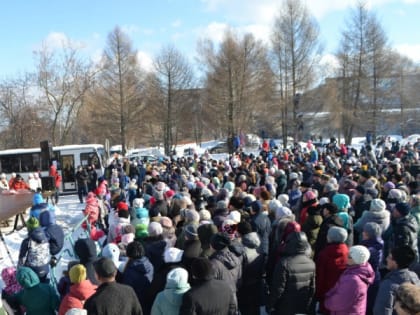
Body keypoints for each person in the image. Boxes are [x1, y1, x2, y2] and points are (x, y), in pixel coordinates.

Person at [267, 231, 315, 315]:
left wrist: (270, 305)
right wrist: (308, 305)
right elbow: (312, 288)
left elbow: (278, 289)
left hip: (284, 307)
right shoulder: (311, 263)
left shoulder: (284, 263)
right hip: (301, 305)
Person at [325, 245, 375, 315]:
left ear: (356, 260)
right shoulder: (360, 270)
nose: (346, 257)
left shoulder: (353, 280)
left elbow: (340, 301)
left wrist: (328, 301)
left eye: (349, 256)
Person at [373, 245, 420, 315]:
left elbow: (381, 311)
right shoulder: (415, 278)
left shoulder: (388, 284)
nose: (386, 259)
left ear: (396, 262)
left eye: (389, 257)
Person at [315, 226, 349, 315]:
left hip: (326, 294)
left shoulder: (324, 255)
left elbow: (320, 277)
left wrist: (318, 295)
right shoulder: (348, 253)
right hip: (342, 294)